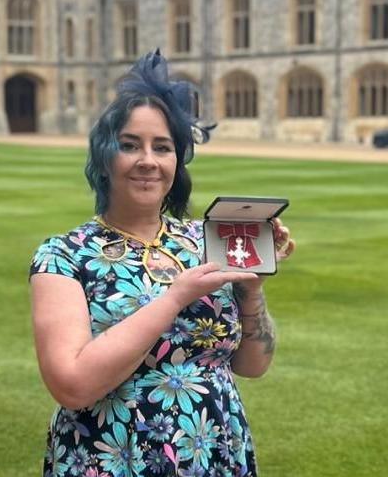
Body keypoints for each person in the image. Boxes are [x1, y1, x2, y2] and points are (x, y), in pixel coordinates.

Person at [29, 50, 295, 477]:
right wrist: (174, 299)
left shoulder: (203, 241)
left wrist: (251, 287)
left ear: (177, 161)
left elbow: (252, 365)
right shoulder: (64, 255)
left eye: (163, 147)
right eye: (130, 145)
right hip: (112, 456)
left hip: (214, 450)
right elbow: (72, 385)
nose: (148, 160)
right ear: (103, 156)